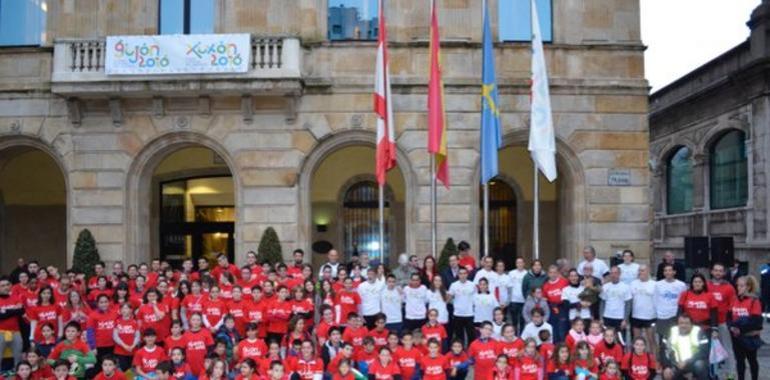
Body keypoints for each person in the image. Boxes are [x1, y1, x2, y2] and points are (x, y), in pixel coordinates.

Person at [728, 275, 763, 380]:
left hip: (749, 337)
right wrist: (731, 327)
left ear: (748, 287)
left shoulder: (754, 301)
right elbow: (729, 317)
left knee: (752, 361)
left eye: (742, 286)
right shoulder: (734, 299)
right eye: (738, 285)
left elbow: (756, 321)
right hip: (736, 337)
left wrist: (740, 329)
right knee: (739, 362)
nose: (739, 288)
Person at [707, 262, 737, 378]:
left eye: (720, 271)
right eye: (716, 270)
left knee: (727, 349)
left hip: (722, 323)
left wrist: (730, 322)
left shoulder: (729, 287)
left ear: (724, 273)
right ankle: (713, 374)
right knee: (710, 351)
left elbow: (732, 305)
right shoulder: (706, 285)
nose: (718, 273)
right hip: (708, 323)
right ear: (712, 272)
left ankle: (731, 374)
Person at [661, 314, 709, 380]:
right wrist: (666, 366)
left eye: (686, 323)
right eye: (681, 323)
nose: (683, 325)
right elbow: (663, 350)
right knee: (667, 373)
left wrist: (687, 361)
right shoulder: (671, 331)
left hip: (693, 362)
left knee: (700, 365)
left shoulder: (698, 331)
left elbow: (704, 351)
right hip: (676, 364)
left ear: (691, 324)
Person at [654, 263, 687, 350]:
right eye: (666, 271)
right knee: (663, 341)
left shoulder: (681, 285)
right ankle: (663, 360)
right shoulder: (658, 285)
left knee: (675, 339)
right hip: (662, 316)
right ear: (663, 273)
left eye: (670, 270)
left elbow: (683, 301)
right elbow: (655, 299)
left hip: (674, 316)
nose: (668, 272)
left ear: (674, 272)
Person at [629, 265, 656, 354]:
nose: (641, 272)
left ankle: (653, 362)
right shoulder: (633, 283)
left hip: (650, 316)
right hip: (636, 315)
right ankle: (636, 361)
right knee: (636, 341)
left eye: (643, 270)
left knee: (651, 340)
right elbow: (630, 299)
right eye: (640, 270)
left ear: (648, 271)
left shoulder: (654, 284)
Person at [600, 266, 631, 341]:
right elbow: (602, 303)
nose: (613, 275)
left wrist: (625, 319)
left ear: (619, 274)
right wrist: (601, 318)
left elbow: (628, 304)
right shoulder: (605, 287)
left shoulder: (625, 287)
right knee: (607, 339)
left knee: (621, 340)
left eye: (616, 273)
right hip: (607, 316)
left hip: (619, 317)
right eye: (612, 273)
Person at [447, 267, 476, 346]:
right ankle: (461, 353)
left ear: (467, 274)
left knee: (471, 336)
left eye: (464, 273)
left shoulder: (472, 285)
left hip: (469, 314)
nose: (462, 275)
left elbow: (475, 299)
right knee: (459, 337)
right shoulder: (454, 285)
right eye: (460, 274)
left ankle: (470, 353)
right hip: (458, 314)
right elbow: (448, 299)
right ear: (458, 275)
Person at [507, 257, 528, 332]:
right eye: (518, 262)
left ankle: (521, 337)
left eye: (521, 262)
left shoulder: (527, 274)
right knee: (514, 321)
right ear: (516, 264)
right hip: (514, 300)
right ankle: (514, 336)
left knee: (523, 321)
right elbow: (509, 288)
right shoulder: (511, 273)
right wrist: (508, 300)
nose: (520, 264)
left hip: (524, 301)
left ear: (524, 264)